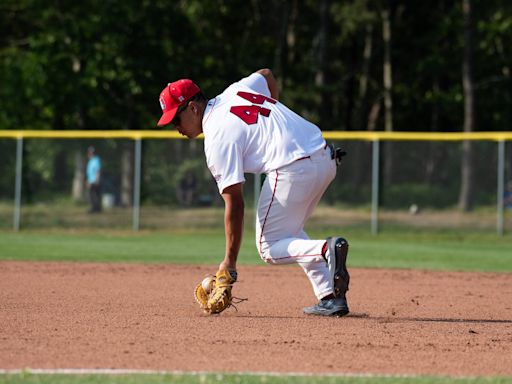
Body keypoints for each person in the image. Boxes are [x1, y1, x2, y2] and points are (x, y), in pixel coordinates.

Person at [156, 69, 350, 317]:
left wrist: (229, 262)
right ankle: (330, 295)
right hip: (325, 157)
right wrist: (277, 122)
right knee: (289, 233)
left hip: (293, 168)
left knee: (268, 247)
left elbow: (235, 204)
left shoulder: (216, 137)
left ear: (193, 108)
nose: (176, 128)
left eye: (175, 120)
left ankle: (327, 249)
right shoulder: (236, 90)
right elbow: (267, 75)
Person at [86, 146, 102, 213]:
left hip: (94, 181)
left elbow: (98, 170)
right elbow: (90, 172)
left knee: (95, 195)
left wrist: (97, 179)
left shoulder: (96, 160)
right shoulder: (91, 160)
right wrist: (88, 180)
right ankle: (94, 208)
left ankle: (96, 209)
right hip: (91, 180)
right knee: (92, 195)